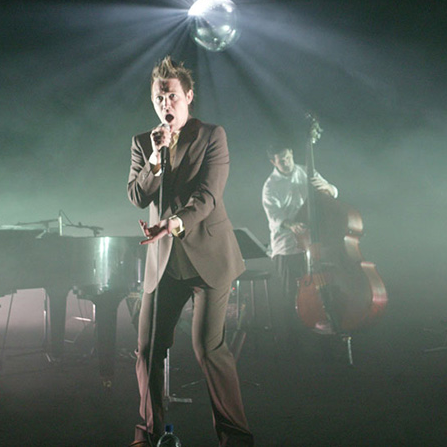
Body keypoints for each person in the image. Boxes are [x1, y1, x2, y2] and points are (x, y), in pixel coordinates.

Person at [128, 56, 253, 447]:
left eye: (172, 96)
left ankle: (236, 437)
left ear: (188, 97)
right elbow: (137, 195)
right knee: (147, 348)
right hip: (165, 262)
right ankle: (148, 433)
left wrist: (175, 222)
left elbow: (208, 196)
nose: (166, 104)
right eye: (159, 97)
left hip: (208, 258)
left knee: (208, 348)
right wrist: (154, 158)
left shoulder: (212, 136)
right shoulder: (143, 143)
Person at [261, 143, 337, 351]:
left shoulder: (307, 172)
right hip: (286, 247)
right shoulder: (270, 186)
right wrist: (292, 224)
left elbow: (332, 191)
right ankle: (294, 344)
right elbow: (275, 217)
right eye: (280, 160)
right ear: (272, 162)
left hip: (313, 243)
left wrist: (329, 189)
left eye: (287, 157)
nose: (285, 162)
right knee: (292, 295)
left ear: (292, 153)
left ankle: (326, 340)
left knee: (322, 291)